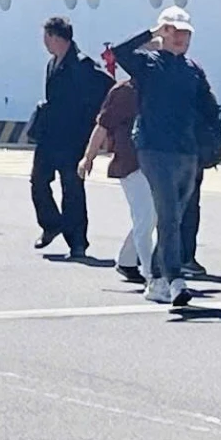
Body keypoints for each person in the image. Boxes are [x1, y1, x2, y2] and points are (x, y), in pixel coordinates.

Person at [104, 7, 221, 309]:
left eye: (185, 33)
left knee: (176, 217)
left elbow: (212, 108)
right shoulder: (148, 63)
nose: (180, 37)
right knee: (167, 214)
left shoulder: (193, 70)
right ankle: (175, 280)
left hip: (186, 151)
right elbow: (119, 52)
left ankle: (156, 279)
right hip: (153, 149)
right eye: (174, 31)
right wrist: (152, 34)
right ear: (165, 33)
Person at [29, 16, 112, 259]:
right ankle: (51, 223)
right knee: (38, 182)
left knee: (72, 189)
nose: (44, 42)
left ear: (55, 37)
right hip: (49, 135)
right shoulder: (52, 63)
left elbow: (107, 89)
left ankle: (77, 242)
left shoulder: (83, 64)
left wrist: (93, 124)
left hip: (72, 138)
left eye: (46, 37)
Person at [79, 71, 153, 285]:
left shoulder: (162, 88)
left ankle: (127, 260)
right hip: (130, 163)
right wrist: (88, 157)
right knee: (146, 216)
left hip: (158, 163)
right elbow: (103, 125)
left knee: (152, 217)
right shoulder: (124, 92)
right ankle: (151, 274)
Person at [179, 94, 221, 280]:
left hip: (191, 156)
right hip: (168, 156)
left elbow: (217, 114)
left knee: (188, 209)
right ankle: (164, 259)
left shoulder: (195, 88)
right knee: (169, 210)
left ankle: (184, 258)